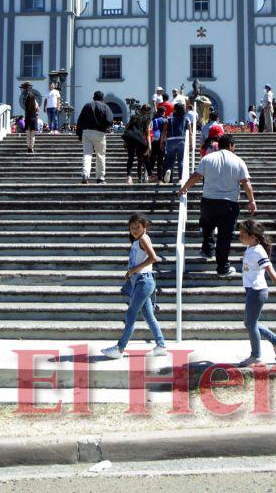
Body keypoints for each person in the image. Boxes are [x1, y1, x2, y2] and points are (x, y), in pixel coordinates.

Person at [177, 134, 257, 277]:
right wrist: (251, 201)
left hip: (209, 201)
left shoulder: (207, 158)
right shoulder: (238, 161)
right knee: (224, 237)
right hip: (229, 204)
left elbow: (196, 176)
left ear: (218, 145)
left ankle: (208, 250)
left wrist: (184, 188)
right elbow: (246, 183)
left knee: (207, 226)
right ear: (232, 146)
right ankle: (222, 268)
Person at [102, 214, 168, 359]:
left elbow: (153, 258)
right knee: (148, 315)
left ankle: (120, 348)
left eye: (138, 227)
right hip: (141, 280)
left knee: (131, 314)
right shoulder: (138, 240)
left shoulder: (143, 239)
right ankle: (161, 345)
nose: (135, 230)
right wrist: (131, 273)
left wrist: (133, 270)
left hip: (144, 281)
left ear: (144, 227)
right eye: (132, 228)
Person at [236, 219, 276, 366]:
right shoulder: (251, 248)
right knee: (250, 323)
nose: (240, 237)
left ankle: (256, 355)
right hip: (251, 290)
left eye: (243, 234)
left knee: (250, 323)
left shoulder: (259, 251)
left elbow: (271, 271)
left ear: (253, 236)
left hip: (257, 291)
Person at [75, 90, 114, 184]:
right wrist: (104, 126)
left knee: (87, 154)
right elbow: (110, 120)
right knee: (100, 155)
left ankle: (85, 174)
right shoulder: (105, 107)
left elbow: (80, 121)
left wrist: (79, 134)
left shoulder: (87, 106)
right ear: (102, 98)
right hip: (99, 133)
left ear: (93, 97)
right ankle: (100, 178)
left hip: (87, 132)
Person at [163, 102, 193, 183]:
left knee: (170, 159)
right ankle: (180, 178)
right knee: (181, 160)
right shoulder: (187, 119)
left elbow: (164, 132)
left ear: (175, 109)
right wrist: (191, 144)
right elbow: (190, 133)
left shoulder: (169, 119)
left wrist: (161, 142)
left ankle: (169, 170)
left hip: (170, 140)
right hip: (181, 141)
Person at [122, 109, 150, 185]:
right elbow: (146, 132)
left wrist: (125, 142)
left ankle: (129, 178)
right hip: (139, 140)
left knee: (130, 158)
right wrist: (149, 145)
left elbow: (127, 130)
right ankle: (148, 175)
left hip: (130, 140)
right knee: (143, 157)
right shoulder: (144, 119)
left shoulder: (131, 120)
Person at [19, 83, 41, 153]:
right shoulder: (32, 96)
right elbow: (37, 108)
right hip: (33, 117)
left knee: (28, 135)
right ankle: (32, 148)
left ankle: (29, 148)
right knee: (32, 135)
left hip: (27, 117)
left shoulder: (24, 97)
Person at [149, 106, 167, 183]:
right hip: (161, 141)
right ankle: (160, 179)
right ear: (163, 112)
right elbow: (165, 132)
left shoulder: (153, 120)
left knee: (152, 159)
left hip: (153, 140)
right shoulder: (164, 120)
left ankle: (149, 176)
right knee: (160, 161)